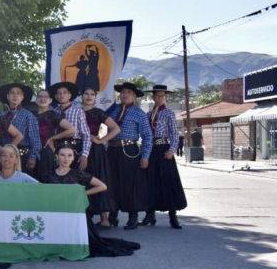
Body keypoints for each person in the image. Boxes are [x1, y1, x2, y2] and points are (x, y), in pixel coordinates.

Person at [43, 145, 140, 257]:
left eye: (69, 155)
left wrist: (82, 193)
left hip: (75, 214)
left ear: (73, 158)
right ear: (57, 157)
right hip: (56, 214)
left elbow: (102, 186)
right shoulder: (48, 175)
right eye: (62, 155)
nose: (66, 159)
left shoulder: (78, 173)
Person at [105, 82, 152, 230]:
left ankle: (133, 217)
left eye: (129, 93)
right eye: (123, 92)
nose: (125, 95)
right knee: (112, 183)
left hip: (129, 151)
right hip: (112, 150)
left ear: (134, 96)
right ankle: (112, 215)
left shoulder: (139, 113)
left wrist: (145, 156)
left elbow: (147, 136)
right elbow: (102, 127)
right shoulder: (112, 110)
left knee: (131, 184)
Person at [141, 85, 188, 229]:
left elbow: (174, 133)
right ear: (152, 97)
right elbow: (144, 134)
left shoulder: (169, 113)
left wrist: (172, 149)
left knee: (168, 180)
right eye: (157, 96)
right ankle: (150, 214)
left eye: (162, 96)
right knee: (149, 181)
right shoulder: (148, 115)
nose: (159, 98)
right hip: (150, 149)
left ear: (165, 98)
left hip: (163, 149)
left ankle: (173, 216)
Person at [81, 87, 121, 229]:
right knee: (82, 180)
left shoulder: (98, 113)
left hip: (95, 152)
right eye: (86, 93)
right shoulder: (76, 111)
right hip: (79, 150)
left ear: (95, 98)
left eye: (92, 94)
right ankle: (85, 217)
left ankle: (104, 219)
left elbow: (116, 129)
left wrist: (100, 140)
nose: (89, 96)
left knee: (98, 178)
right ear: (81, 96)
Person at [34, 89, 77, 181]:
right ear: (36, 100)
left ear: (50, 100)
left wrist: (52, 138)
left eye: (45, 97)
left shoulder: (52, 114)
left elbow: (72, 130)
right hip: (33, 152)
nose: (42, 99)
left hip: (45, 152)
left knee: (44, 182)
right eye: (40, 97)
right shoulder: (31, 115)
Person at [0, 83, 41, 176]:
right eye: (12, 93)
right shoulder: (2, 116)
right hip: (4, 157)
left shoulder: (29, 116)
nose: (15, 95)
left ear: (22, 97)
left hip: (22, 156)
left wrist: (32, 157)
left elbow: (36, 140)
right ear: (7, 96)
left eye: (18, 93)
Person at [49, 81, 91, 171]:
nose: (62, 95)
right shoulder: (53, 112)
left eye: (64, 92)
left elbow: (86, 134)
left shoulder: (78, 111)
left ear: (69, 95)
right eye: (59, 93)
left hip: (75, 149)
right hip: (58, 149)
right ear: (56, 96)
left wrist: (84, 155)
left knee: (74, 177)